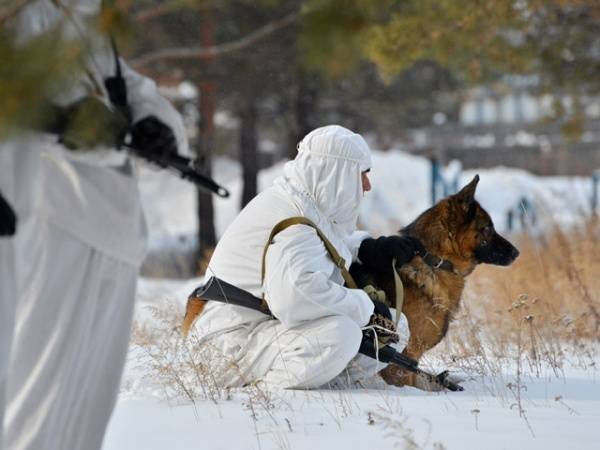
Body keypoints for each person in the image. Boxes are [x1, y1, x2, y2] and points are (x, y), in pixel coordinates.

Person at [0, 1, 188, 449]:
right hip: (56, 220)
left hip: (114, 231)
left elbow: (120, 82)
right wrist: (77, 123)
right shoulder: (22, 14)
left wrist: (153, 122)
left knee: (84, 411)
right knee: (37, 405)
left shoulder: (83, 16)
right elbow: (32, 98)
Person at [194, 125, 423, 389]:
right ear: (335, 174)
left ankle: (322, 384)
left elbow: (323, 242)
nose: (367, 185)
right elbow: (295, 297)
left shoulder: (301, 204)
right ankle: (262, 395)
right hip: (229, 342)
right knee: (342, 334)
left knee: (393, 329)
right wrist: (366, 309)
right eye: (361, 174)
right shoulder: (293, 223)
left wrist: (368, 248)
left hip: (259, 331)